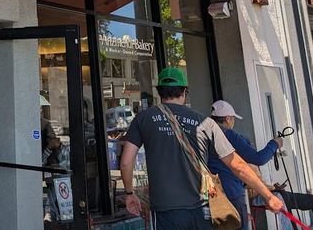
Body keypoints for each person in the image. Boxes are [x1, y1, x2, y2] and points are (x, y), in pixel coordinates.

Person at [120, 68, 284, 229]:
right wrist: (268, 196)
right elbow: (238, 165)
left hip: (166, 210)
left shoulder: (143, 119)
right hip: (203, 208)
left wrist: (129, 193)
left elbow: (126, 163)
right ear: (185, 91)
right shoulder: (206, 122)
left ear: (158, 91)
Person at [208, 100, 313, 228]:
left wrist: (270, 188)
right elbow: (258, 159)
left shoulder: (206, 134)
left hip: (213, 193)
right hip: (233, 191)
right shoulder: (230, 136)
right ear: (228, 119)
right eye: (233, 120)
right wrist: (275, 144)